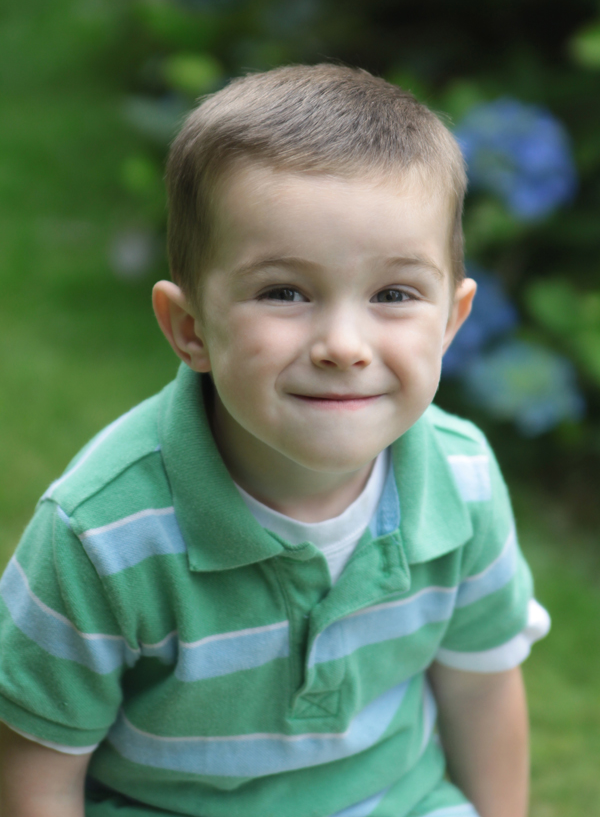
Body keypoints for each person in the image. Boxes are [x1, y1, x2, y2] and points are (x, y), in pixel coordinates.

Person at [0, 65, 550, 817]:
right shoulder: (101, 534)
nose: (343, 345)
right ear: (190, 329)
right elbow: (37, 765)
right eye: (284, 293)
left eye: (394, 294)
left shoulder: (465, 481)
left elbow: (481, 687)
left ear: (451, 322)